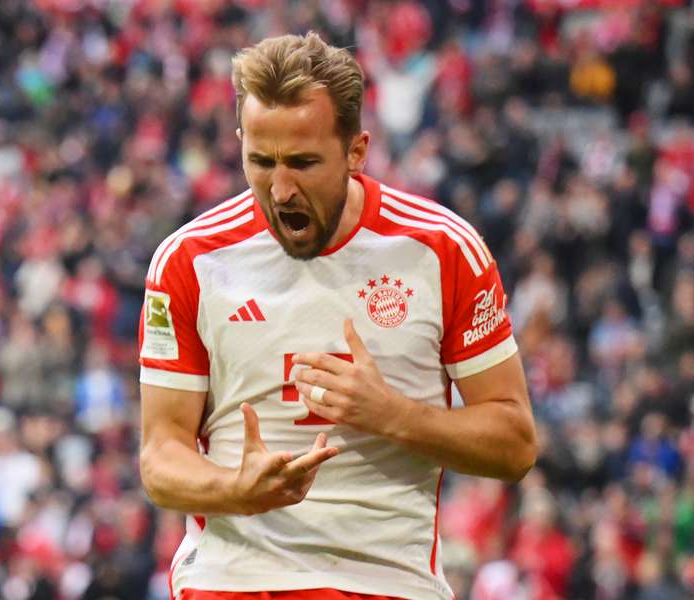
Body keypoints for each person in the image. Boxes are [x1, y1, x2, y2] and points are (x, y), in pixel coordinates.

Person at [138, 32, 536, 600]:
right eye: (260, 161)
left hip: (387, 580)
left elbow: (515, 444)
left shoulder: (443, 250)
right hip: (235, 580)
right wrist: (236, 488)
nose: (279, 189)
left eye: (303, 162)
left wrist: (392, 414)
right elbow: (160, 457)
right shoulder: (189, 260)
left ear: (356, 151)